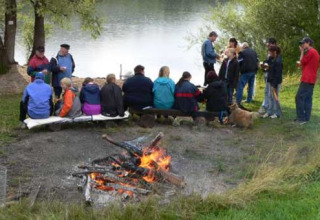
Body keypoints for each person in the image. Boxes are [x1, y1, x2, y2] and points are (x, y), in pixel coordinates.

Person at [295, 37, 320, 124]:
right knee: (307, 99)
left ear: (308, 43)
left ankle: (301, 119)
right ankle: (306, 118)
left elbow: (301, 62)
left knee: (299, 97)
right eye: (301, 43)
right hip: (311, 78)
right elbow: (305, 65)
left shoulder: (311, 52)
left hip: (307, 78)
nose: (302, 45)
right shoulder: (314, 52)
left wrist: (301, 52)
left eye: (303, 43)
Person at [236, 42, 259, 106]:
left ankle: (238, 101)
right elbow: (257, 61)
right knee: (251, 86)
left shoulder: (242, 53)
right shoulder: (254, 52)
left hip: (245, 72)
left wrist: (239, 71)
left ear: (243, 47)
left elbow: (239, 62)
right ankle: (249, 99)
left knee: (240, 86)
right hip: (253, 71)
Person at [262, 46, 283, 119]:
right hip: (270, 80)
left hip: (276, 82)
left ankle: (277, 113)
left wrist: (274, 85)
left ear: (275, 52)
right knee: (270, 97)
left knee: (275, 97)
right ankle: (269, 112)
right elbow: (266, 62)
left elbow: (278, 74)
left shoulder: (278, 61)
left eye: (270, 52)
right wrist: (263, 65)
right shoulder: (270, 58)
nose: (269, 53)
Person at [259, 37, 278, 115]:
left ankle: (272, 109)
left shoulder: (276, 54)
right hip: (268, 74)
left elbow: (274, 65)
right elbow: (268, 62)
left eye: (269, 43)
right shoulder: (269, 53)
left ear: (273, 44)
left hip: (273, 77)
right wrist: (263, 66)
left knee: (273, 92)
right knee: (267, 91)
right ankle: (266, 106)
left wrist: (267, 67)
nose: (268, 45)